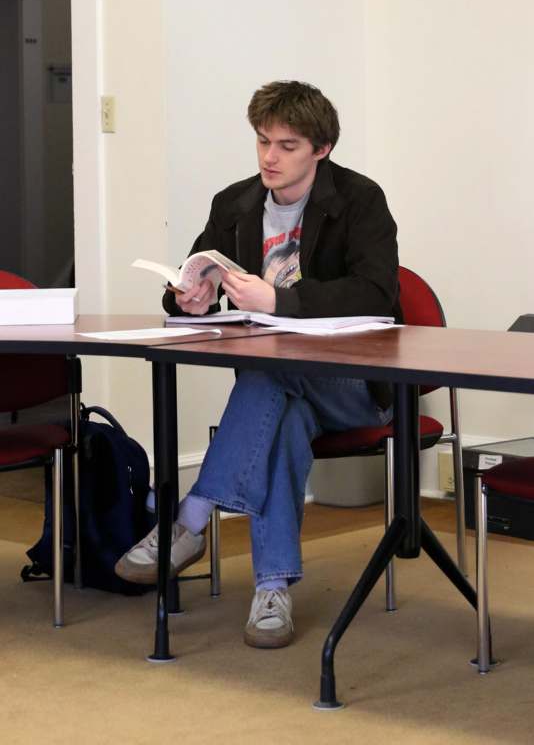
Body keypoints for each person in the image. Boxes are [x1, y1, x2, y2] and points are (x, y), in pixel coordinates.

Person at [115, 80, 400, 648]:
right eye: (263, 141)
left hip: (352, 384)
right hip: (282, 386)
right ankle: (271, 591)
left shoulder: (359, 200)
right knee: (280, 415)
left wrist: (281, 302)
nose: (270, 157)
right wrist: (187, 297)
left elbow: (376, 292)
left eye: (288, 145)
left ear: (321, 149)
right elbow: (194, 274)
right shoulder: (236, 203)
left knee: (267, 371)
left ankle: (191, 517)